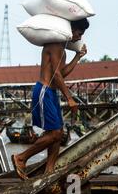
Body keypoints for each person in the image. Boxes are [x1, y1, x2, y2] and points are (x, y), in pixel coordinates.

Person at [12, 18, 89, 180]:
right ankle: (21, 158)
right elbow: (57, 76)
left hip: (51, 93)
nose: (79, 38)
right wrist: (69, 98)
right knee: (54, 134)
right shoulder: (54, 46)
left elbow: (62, 73)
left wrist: (78, 57)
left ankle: (49, 172)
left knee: (58, 133)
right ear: (71, 30)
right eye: (79, 33)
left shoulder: (63, 49)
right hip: (44, 91)